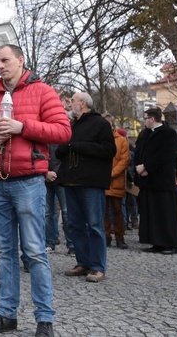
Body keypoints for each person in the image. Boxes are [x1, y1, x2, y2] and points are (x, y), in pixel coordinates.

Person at [0, 44, 70, 337]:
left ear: (20, 61)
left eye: (5, 60)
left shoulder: (43, 92)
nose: (0, 65)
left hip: (29, 182)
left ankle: (44, 319)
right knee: (5, 254)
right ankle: (6, 314)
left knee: (36, 251)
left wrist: (21, 126)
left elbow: (63, 132)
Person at [55, 93, 116, 284]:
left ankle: (97, 266)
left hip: (91, 182)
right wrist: (63, 149)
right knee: (75, 225)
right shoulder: (71, 125)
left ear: (83, 103)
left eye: (73, 101)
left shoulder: (100, 124)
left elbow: (109, 150)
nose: (70, 104)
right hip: (71, 180)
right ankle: (82, 262)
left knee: (95, 225)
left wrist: (78, 146)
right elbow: (61, 150)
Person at [134, 107, 177, 255]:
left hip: (162, 180)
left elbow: (167, 154)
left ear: (152, 119)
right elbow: (138, 152)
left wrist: (147, 166)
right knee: (151, 212)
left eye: (145, 118)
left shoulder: (168, 133)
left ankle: (171, 244)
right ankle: (156, 242)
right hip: (147, 180)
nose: (144, 121)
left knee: (166, 213)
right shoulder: (144, 133)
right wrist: (139, 168)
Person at [103, 114, 131, 250]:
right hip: (102, 181)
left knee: (118, 211)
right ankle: (106, 236)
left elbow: (125, 160)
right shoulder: (98, 140)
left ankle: (120, 238)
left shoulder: (121, 141)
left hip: (116, 181)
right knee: (103, 212)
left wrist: (111, 174)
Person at [45, 144, 73, 255]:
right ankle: (49, 243)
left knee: (66, 212)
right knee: (47, 213)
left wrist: (55, 173)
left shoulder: (61, 137)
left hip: (61, 179)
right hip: (46, 178)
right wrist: (45, 172)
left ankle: (71, 244)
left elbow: (65, 157)